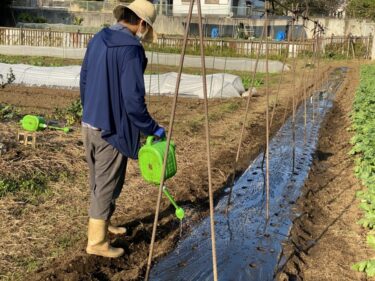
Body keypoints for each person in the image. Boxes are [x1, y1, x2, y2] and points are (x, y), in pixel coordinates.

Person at [80, 0, 165, 258]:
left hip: (90, 122)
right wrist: (153, 129)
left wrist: (90, 110)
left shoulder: (99, 38)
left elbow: (84, 79)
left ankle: (105, 224)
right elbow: (132, 101)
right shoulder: (131, 49)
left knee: (100, 181)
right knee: (107, 185)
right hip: (111, 129)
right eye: (146, 27)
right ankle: (96, 243)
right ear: (141, 23)